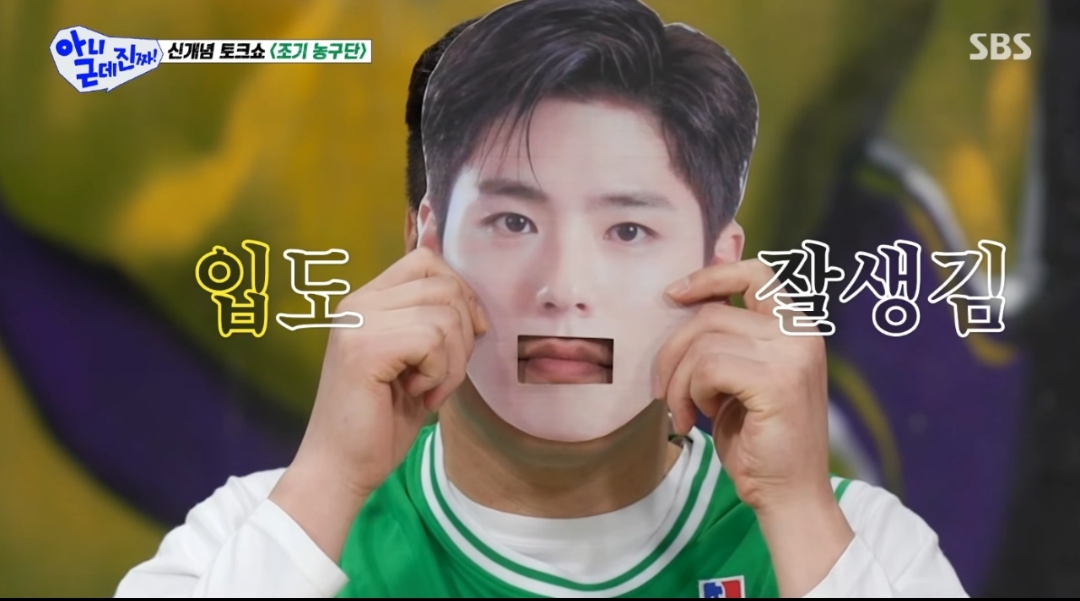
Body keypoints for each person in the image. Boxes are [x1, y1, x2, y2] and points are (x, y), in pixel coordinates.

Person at [116, 0, 967, 597]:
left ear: (721, 266)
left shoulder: (860, 543)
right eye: (514, 221)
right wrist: (329, 478)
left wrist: (798, 509)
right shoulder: (255, 531)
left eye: (627, 229)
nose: (563, 289)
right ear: (425, 243)